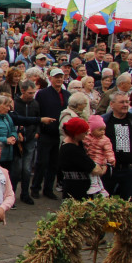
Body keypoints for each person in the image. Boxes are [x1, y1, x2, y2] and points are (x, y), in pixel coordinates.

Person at [103, 91, 132, 202]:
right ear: (112, 104)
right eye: (121, 102)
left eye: (126, 102)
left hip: (130, 170)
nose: (125, 105)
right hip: (109, 171)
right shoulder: (104, 121)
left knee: (129, 207)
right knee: (105, 205)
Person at [32, 68, 69, 200]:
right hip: (46, 132)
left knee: (54, 163)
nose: (59, 79)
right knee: (41, 162)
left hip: (60, 134)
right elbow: (38, 112)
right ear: (50, 78)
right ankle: (35, 188)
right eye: (56, 77)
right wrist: (38, 129)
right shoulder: (43, 93)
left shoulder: (67, 94)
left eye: (61, 77)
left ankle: (48, 189)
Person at [60, 117, 106, 199]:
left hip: (78, 187)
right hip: (77, 190)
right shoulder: (71, 149)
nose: (87, 134)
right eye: (84, 133)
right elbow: (96, 170)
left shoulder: (77, 143)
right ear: (76, 133)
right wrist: (105, 166)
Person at [0, 94, 19, 179]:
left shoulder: (7, 116)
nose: (9, 109)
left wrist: (14, 136)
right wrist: (5, 140)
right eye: (6, 106)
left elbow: (13, 129)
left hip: (9, 154)